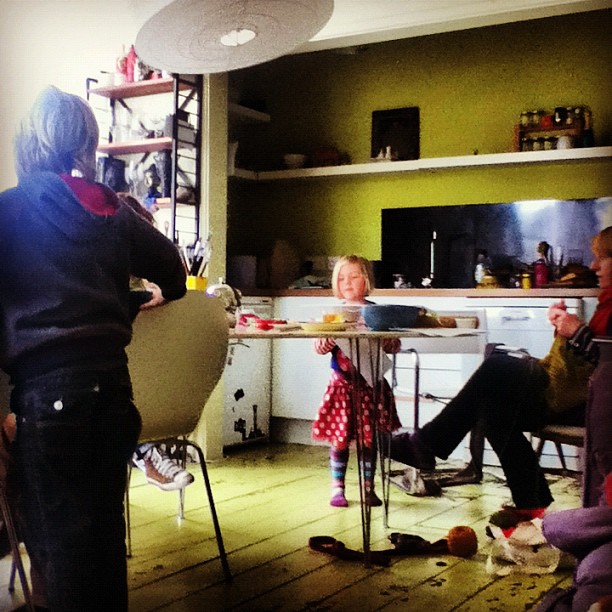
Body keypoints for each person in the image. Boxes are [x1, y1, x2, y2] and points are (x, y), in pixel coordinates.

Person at [0, 86, 187, 611]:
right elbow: (173, 272)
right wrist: (140, 298)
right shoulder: (111, 208)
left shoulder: (10, 210)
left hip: (48, 401)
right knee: (102, 540)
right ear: (87, 143)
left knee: (56, 547)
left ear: (26, 143)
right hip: (113, 395)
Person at [387, 227, 612, 512]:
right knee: (492, 408)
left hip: (592, 408)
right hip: (579, 398)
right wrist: (567, 331)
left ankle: (425, 444)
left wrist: (577, 331)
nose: (593, 266)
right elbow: (594, 358)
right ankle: (530, 504)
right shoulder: (607, 302)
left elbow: (606, 363)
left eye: (601, 258)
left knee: (498, 366)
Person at [117, 193, 194, 492]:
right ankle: (145, 453)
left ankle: (143, 452)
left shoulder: (116, 297)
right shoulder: (160, 294)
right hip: (160, 411)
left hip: (116, 408)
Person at [312, 255, 402, 507]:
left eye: (354, 276)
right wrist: (326, 340)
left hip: (371, 384)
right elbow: (318, 347)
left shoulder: (377, 313)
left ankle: (368, 488)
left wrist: (388, 341)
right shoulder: (332, 314)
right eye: (341, 278)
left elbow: (395, 343)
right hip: (341, 385)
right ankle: (337, 488)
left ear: (367, 280)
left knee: (368, 439)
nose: (347, 283)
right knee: (339, 438)